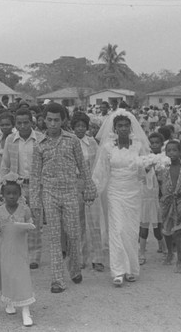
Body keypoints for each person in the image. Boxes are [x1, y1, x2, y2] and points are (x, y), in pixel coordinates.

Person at [30, 103, 96, 293]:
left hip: (70, 193)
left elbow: (83, 166)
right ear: (44, 120)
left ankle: (74, 268)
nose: (52, 124)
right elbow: (35, 175)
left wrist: (89, 187)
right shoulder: (39, 145)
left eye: (56, 120)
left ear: (63, 120)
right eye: (49, 120)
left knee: (73, 234)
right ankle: (57, 280)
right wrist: (35, 201)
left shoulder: (73, 140)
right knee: (54, 236)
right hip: (49, 194)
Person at [92, 108, 149, 286]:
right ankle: (117, 271)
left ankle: (131, 269)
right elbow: (101, 171)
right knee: (117, 229)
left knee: (131, 230)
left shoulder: (138, 146)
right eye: (120, 126)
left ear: (131, 127)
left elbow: (143, 172)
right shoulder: (108, 147)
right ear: (115, 128)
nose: (123, 128)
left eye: (126, 125)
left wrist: (148, 168)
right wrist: (93, 188)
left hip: (133, 191)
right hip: (115, 190)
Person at [0, 175, 36, 327]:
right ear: (3, 195)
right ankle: (9, 302)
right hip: (5, 251)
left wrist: (29, 225)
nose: (11, 196)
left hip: (20, 251)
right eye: (8, 193)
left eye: (15, 193)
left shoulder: (24, 209)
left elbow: (31, 223)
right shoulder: (0, 211)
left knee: (22, 277)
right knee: (7, 276)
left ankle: (26, 310)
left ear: (19, 194)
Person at [0, 108, 44, 269]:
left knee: (34, 220)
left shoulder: (40, 139)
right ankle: (17, 253)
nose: (23, 126)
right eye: (19, 123)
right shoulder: (11, 139)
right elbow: (5, 165)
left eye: (26, 122)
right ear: (15, 124)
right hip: (17, 186)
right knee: (16, 219)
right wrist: (1, 187)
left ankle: (34, 255)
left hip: (37, 185)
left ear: (32, 122)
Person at [71, 111, 105, 272]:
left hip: (90, 182)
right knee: (78, 223)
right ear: (72, 127)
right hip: (74, 184)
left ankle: (97, 258)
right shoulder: (69, 142)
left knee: (94, 222)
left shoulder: (92, 143)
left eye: (83, 126)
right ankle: (80, 258)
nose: (80, 129)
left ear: (87, 127)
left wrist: (94, 183)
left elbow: (98, 164)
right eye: (77, 126)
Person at [157, 141, 181, 273]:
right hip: (166, 202)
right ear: (165, 153)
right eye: (169, 150)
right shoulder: (162, 168)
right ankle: (170, 253)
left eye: (174, 150)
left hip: (180, 202)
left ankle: (180, 261)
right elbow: (158, 184)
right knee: (166, 230)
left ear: (180, 152)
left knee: (179, 232)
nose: (172, 153)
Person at [139, 132, 166, 265]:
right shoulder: (145, 158)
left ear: (162, 144)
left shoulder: (165, 159)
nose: (154, 145)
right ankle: (142, 252)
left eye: (157, 143)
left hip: (157, 197)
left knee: (158, 228)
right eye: (152, 143)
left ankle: (163, 247)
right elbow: (141, 175)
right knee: (143, 227)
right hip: (145, 196)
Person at [0, 112, 15, 205]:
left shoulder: (16, 140)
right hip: (1, 177)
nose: (5, 127)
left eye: (8, 124)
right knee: (1, 206)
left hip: (15, 176)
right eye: (2, 125)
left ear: (13, 125)